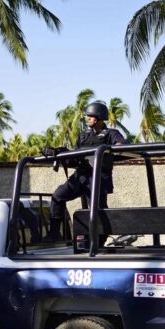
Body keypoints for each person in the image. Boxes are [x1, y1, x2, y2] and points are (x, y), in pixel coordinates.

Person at [41, 101, 128, 241]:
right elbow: (75, 158)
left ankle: (98, 241)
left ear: (99, 117)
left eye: (91, 115)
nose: (87, 118)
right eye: (87, 115)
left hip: (97, 178)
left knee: (97, 210)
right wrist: (58, 153)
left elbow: (123, 145)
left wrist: (109, 149)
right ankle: (55, 233)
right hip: (81, 176)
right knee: (58, 196)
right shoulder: (83, 137)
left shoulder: (111, 134)